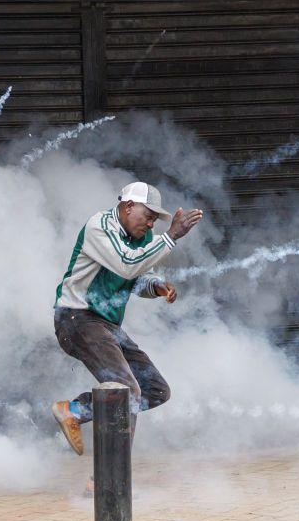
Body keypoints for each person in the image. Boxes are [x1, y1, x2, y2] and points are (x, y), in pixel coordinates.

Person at [51, 182, 203, 455]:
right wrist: (170, 237)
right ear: (128, 206)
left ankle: (74, 410)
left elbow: (137, 277)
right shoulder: (100, 226)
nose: (150, 223)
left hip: (105, 325)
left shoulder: (142, 238)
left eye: (155, 219)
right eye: (148, 216)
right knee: (127, 392)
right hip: (77, 319)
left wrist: (157, 287)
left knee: (155, 390)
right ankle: (107, 483)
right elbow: (126, 263)